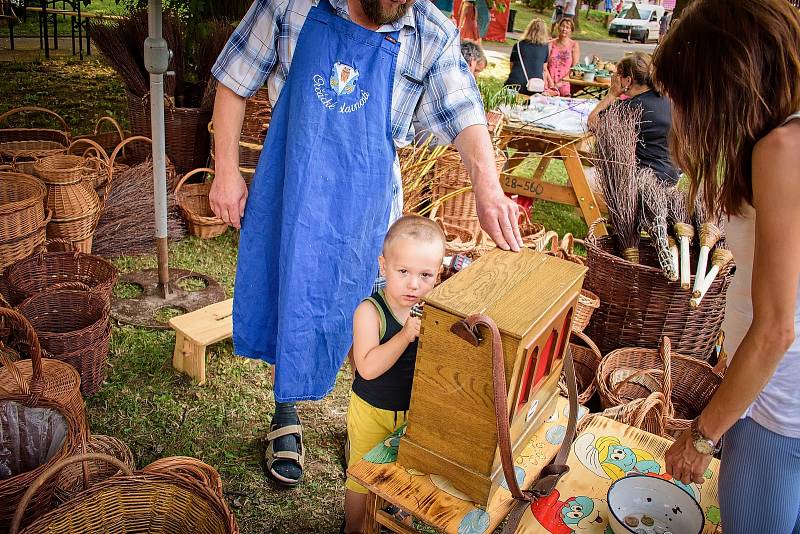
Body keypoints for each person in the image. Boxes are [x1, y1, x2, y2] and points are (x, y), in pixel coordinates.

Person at [209, 0, 523, 488]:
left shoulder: (425, 28)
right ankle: (286, 412)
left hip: (368, 199)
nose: (404, 5)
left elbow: (463, 107)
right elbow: (234, 79)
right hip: (297, 186)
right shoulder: (291, 4)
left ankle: (369, 418)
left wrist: (488, 188)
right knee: (295, 295)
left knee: (378, 308)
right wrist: (226, 171)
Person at [652, 1, 800, 532]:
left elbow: (776, 329)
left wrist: (703, 434)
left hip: (778, 411)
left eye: (687, 97)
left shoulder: (783, 148)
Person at [343, 215, 445, 533]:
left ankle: (385, 517)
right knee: (362, 475)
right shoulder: (370, 312)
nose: (414, 284)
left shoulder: (430, 312)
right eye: (403, 272)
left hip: (410, 413)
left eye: (425, 275)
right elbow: (367, 367)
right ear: (383, 266)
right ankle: (353, 527)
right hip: (372, 411)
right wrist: (404, 336)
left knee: (399, 472)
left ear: (438, 275)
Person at [587, 52, 680, 185]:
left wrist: (612, 94)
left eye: (618, 75)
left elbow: (593, 121)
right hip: (670, 176)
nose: (615, 78)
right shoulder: (668, 100)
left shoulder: (632, 108)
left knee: (579, 180)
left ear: (628, 80)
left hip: (644, 181)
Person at [505, 19, 553, 96]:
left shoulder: (518, 45)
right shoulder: (545, 48)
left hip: (515, 83)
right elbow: (544, 70)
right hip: (534, 86)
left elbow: (512, 66)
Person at [547, 18, 579, 97]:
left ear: (571, 30)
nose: (564, 29)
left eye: (567, 27)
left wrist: (561, 82)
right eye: (563, 26)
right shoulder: (551, 44)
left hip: (565, 82)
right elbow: (544, 65)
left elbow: (574, 68)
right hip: (549, 80)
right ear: (558, 27)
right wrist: (551, 83)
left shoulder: (574, 45)